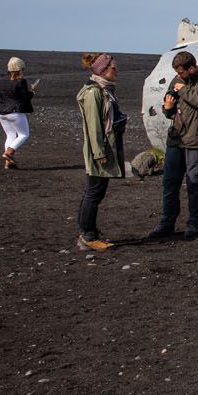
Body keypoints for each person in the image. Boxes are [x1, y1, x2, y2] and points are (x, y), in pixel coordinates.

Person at [150, 51, 198, 239]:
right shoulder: (177, 81)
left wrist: (184, 90)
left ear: (192, 68)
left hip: (197, 140)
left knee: (194, 183)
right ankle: (167, 222)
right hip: (176, 139)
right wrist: (167, 107)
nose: (178, 76)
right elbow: (170, 111)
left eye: (181, 72)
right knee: (170, 183)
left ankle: (195, 224)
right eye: (177, 73)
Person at [76, 53, 126, 250]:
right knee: (93, 193)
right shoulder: (94, 92)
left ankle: (88, 233)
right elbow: (94, 125)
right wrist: (99, 152)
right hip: (99, 151)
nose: (116, 70)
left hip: (103, 148)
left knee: (94, 192)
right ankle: (87, 236)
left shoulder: (104, 90)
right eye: (113, 67)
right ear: (103, 70)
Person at [0, 56, 35, 169]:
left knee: (10, 135)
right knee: (24, 134)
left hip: (2, 112)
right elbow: (25, 97)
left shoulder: (0, 80)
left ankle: (8, 162)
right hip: (15, 112)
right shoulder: (21, 81)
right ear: (19, 69)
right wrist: (32, 91)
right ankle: (9, 153)